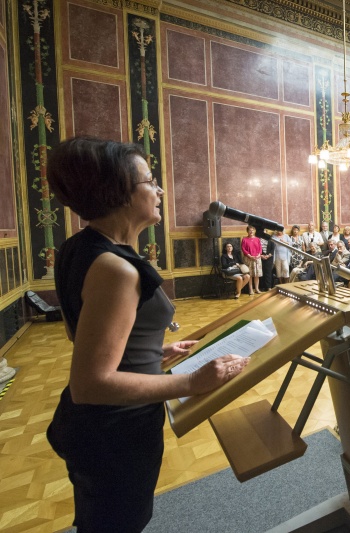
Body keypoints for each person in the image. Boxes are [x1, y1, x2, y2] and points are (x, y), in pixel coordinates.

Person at [45, 137, 249, 532]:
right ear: (119, 191)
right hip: (115, 434)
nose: (159, 191)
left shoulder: (79, 247)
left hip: (95, 430)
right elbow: (90, 384)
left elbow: (85, 336)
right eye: (150, 181)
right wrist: (192, 381)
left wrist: (153, 351)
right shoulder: (115, 269)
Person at [241, 225, 263, 294]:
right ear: (247, 231)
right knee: (250, 274)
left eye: (252, 230)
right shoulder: (244, 239)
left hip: (257, 259)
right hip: (248, 258)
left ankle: (257, 289)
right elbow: (243, 249)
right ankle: (251, 289)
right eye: (250, 230)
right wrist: (249, 256)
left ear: (254, 231)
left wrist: (259, 255)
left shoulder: (257, 239)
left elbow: (260, 248)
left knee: (257, 275)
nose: (251, 231)